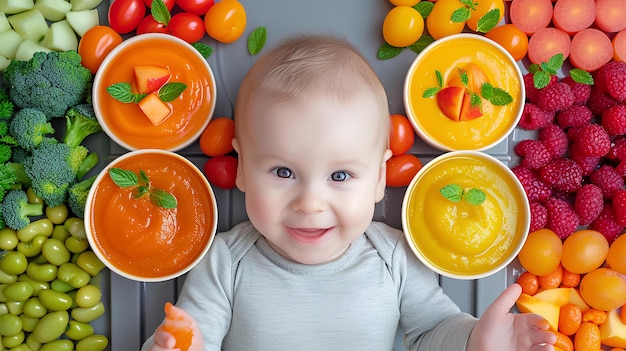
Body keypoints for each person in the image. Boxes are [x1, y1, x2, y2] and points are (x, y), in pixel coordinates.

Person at [143, 34, 556, 351]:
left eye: (340, 176)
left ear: (378, 179)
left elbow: (431, 331)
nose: (309, 203)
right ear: (243, 170)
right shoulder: (224, 261)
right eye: (282, 171)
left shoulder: (394, 256)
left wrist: (474, 340)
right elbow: (193, 334)